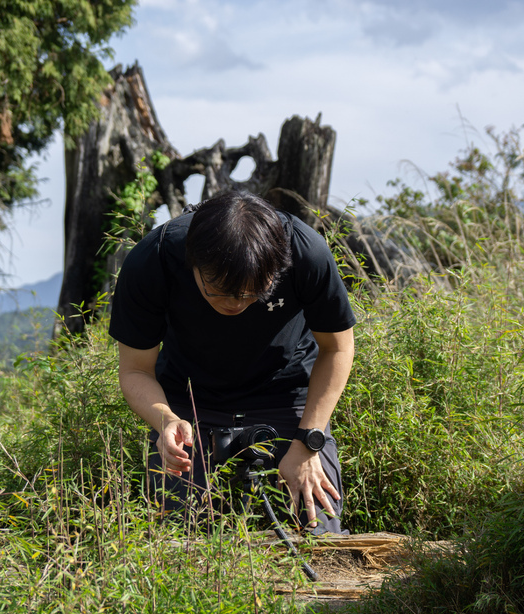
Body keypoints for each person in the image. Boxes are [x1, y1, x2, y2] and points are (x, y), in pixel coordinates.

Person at [108, 190, 356, 535]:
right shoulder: (155, 258)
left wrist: (307, 442)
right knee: (180, 538)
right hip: (190, 405)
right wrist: (166, 421)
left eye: (252, 293)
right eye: (217, 291)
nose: (235, 304)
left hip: (288, 399)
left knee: (316, 530)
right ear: (190, 262)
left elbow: (338, 348)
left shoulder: (304, 251)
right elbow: (135, 369)